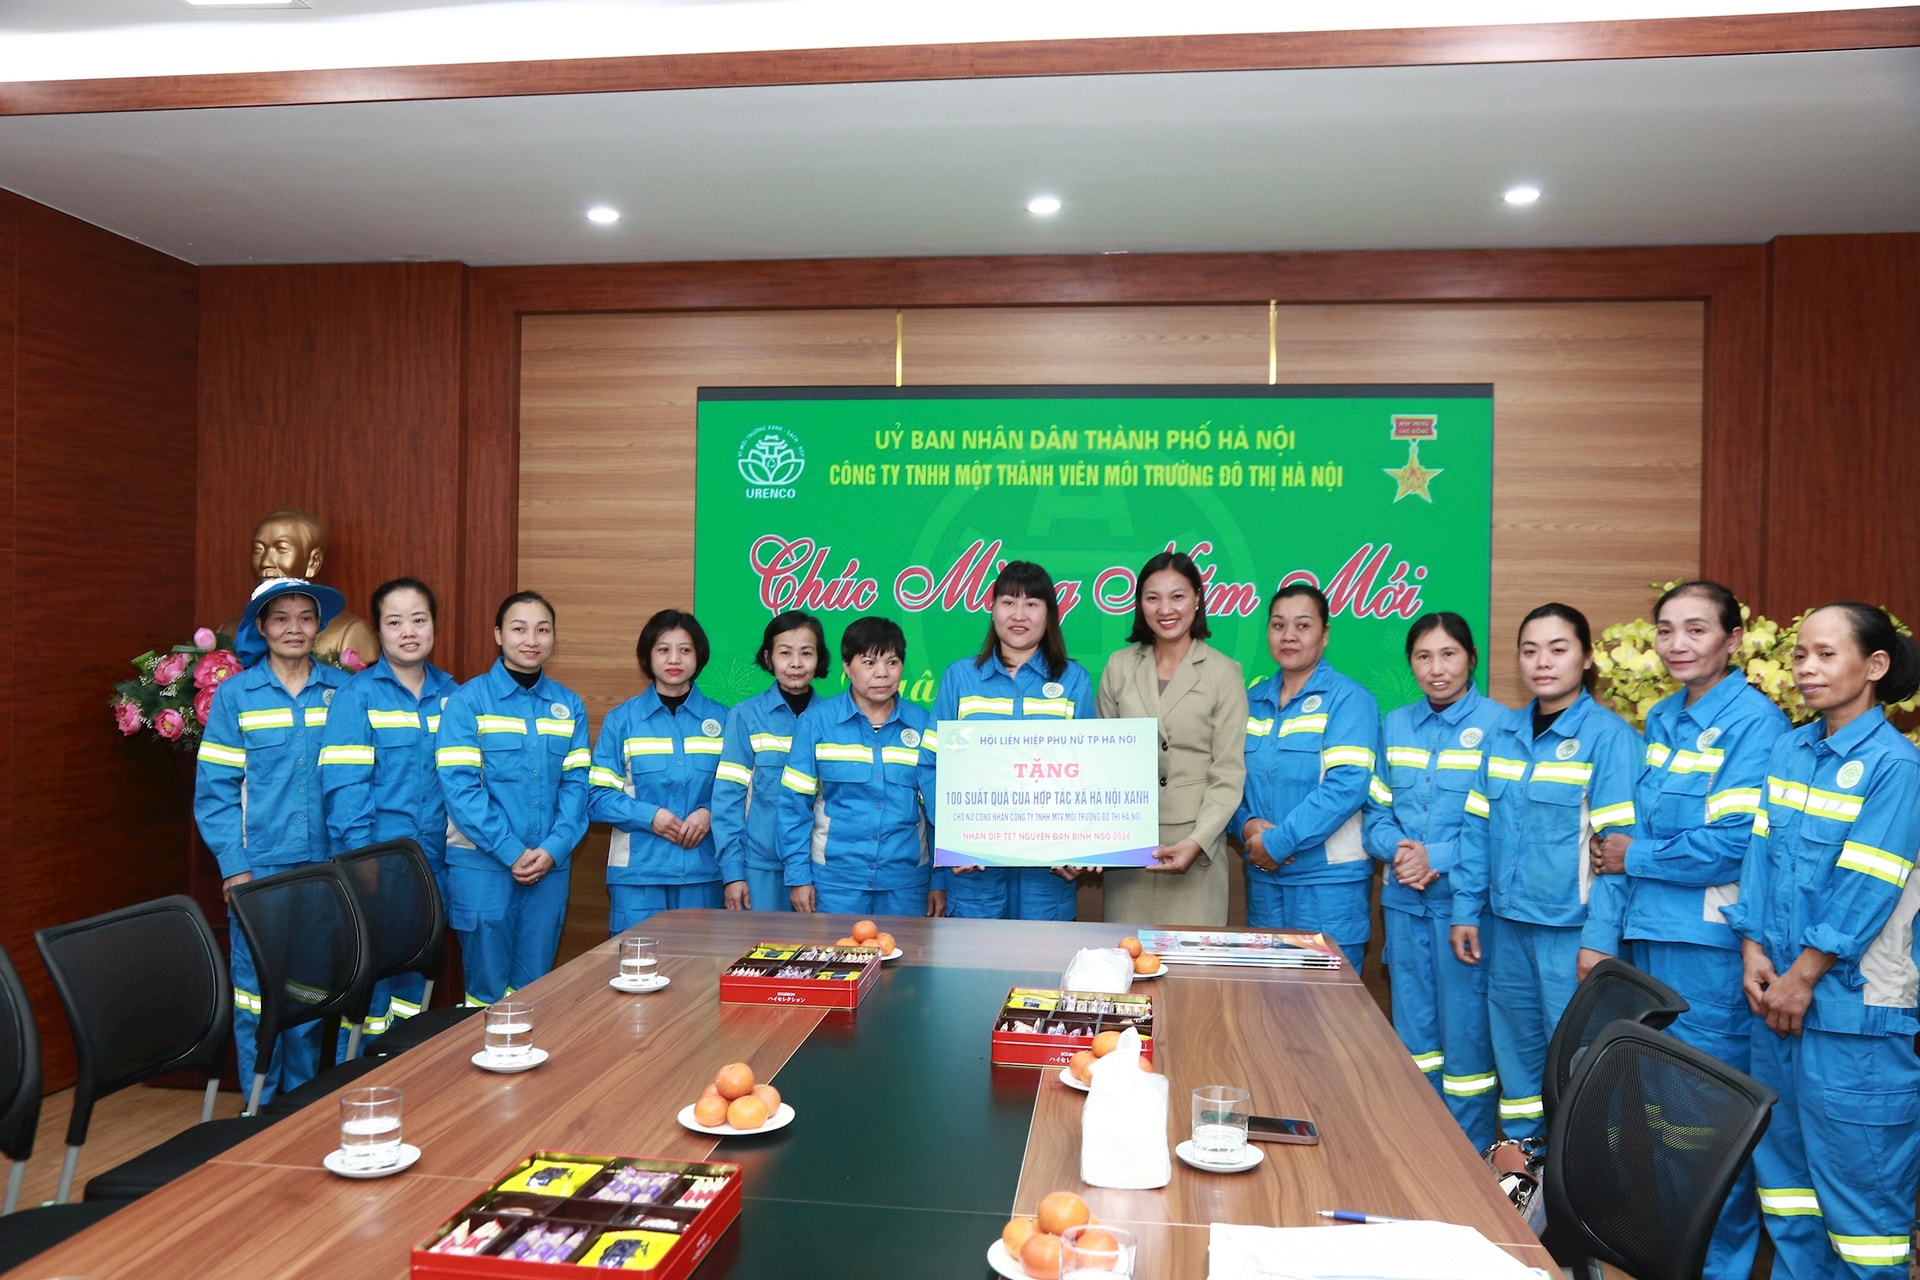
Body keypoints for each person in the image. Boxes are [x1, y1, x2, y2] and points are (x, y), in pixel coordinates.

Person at [1589, 581, 1786, 1280]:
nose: (1677, 644)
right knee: (1661, 1123)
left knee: (1709, 1126)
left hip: (1709, 951)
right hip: (1651, 939)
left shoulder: (1755, 723)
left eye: (1696, 630)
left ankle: (1720, 1270)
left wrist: (1636, 856)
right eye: (1666, 630)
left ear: (1733, 641)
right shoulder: (1663, 717)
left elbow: (1732, 843)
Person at [1723, 603, 1920, 1280]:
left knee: (1864, 1213)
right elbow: (1759, 854)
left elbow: (1868, 885)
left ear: (1875, 665)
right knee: (1788, 1195)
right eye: (1800, 654)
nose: (1807, 668)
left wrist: (1802, 976)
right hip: (1777, 1001)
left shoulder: (1896, 766)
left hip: (1852, 1017)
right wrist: (1753, 949)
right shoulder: (1789, 749)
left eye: (1826, 654)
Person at [1449, 602, 1638, 1141]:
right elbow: (1476, 830)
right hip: (1508, 930)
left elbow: (1617, 852)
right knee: (1518, 1073)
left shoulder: (1609, 738)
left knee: (1581, 1070)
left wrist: (1600, 938)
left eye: (1558, 649)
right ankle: (1523, 1180)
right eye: (1530, 651)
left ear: (1587, 658)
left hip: (1572, 936)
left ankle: (1580, 1189)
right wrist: (1465, 909)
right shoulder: (1503, 734)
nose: (1543, 662)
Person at [194, 576, 350, 1106]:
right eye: (280, 618)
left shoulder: (343, 692)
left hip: (326, 868)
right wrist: (234, 867)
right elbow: (215, 793)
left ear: (319, 626)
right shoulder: (235, 696)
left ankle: (299, 1104)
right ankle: (258, 1105)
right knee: (256, 994)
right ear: (261, 627)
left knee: (309, 989)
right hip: (259, 869)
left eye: (305, 618)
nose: (293, 629)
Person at [1361, 611, 1507, 1148]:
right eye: (1424, 657)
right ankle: (1417, 1154)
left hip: (1465, 913)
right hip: (1404, 907)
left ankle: (1467, 1160)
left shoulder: (1501, 726)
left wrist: (1435, 857)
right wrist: (1399, 852)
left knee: (1467, 1049)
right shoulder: (1395, 725)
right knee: (1414, 1044)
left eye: (1448, 655)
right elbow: (1375, 813)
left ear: (1471, 658)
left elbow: (1501, 827)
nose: (1436, 668)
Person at [317, 577, 460, 1045]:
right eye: (395, 622)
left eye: (419, 619)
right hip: (379, 866)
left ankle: (407, 1075)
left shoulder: (454, 695)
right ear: (378, 631)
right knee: (370, 993)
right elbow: (345, 789)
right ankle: (358, 1078)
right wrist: (364, 862)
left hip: (437, 864)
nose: (409, 632)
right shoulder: (357, 696)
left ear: (434, 625)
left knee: (416, 988)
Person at [436, 591, 590, 1006]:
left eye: (543, 630)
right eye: (519, 629)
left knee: (535, 992)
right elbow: (460, 788)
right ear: (498, 635)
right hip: (483, 866)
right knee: (484, 994)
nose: (531, 640)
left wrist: (554, 848)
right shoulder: (467, 701)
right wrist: (510, 850)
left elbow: (577, 786)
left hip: (548, 869)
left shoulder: (569, 705)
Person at [926, 561, 1095, 921]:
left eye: (1032, 603)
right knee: (973, 959)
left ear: (1050, 614)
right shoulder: (960, 677)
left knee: (1043, 958)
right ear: (992, 609)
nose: (1019, 615)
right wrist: (955, 837)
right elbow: (931, 765)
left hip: (1047, 876)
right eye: (1008, 602)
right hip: (974, 874)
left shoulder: (1074, 680)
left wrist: (1081, 845)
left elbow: (1090, 772)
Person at [1233, 582, 1381, 970]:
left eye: (1303, 625)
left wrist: (1277, 843)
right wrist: (1244, 825)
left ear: (1325, 634)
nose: (1289, 636)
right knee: (1266, 997)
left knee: (1328, 1002)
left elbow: (1347, 785)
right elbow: (1227, 777)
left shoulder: (1349, 699)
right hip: (1265, 882)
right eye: (1278, 625)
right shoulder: (1251, 701)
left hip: (1328, 886)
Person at [1095, 551, 1248, 927]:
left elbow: (1228, 773)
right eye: (1153, 597)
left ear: (1197, 598)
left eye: (1177, 596)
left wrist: (1197, 842)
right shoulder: (1119, 665)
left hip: (1196, 849)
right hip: (1129, 851)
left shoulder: (1224, 673)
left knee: (1191, 961)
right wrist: (1099, 838)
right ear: (1140, 604)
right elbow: (1101, 764)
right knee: (1126, 958)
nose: (1165, 609)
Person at [777, 616, 942, 918]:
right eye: (869, 662)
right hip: (835, 884)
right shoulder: (816, 723)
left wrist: (940, 880)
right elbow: (793, 806)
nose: (882, 673)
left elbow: (939, 810)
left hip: (906, 885)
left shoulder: (924, 725)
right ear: (847, 666)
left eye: (892, 662)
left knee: (904, 952)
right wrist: (798, 877)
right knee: (834, 952)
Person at [589, 610, 731, 932]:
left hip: (703, 873)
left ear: (699, 656)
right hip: (637, 876)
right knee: (637, 963)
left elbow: (740, 793)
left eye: (685, 649)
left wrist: (709, 813)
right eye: (663, 649)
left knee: (698, 965)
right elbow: (596, 797)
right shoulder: (621, 721)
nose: (674, 659)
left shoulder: (724, 721)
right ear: (648, 656)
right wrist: (649, 816)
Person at [713, 611, 829, 912]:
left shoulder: (833, 719)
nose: (796, 663)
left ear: (819, 658)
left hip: (821, 869)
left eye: (806, 653)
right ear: (768, 658)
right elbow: (728, 799)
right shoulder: (745, 716)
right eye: (785, 653)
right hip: (760, 869)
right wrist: (733, 873)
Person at [222, 508, 379, 669]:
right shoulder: (227, 631)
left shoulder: (350, 632)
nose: (265, 562)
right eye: (258, 550)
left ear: (313, 562)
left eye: (282, 549)